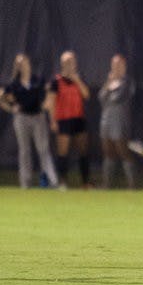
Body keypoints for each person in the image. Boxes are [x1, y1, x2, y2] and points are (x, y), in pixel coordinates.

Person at [0, 53, 59, 189]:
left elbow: (49, 92)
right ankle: (25, 183)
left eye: (24, 62)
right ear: (17, 67)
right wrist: (11, 108)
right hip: (22, 118)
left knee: (43, 149)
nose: (23, 65)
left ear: (29, 63)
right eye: (19, 64)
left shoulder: (38, 80)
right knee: (24, 151)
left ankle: (51, 182)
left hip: (38, 117)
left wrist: (46, 103)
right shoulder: (14, 84)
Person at [46, 50, 91, 189]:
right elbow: (50, 102)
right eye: (66, 62)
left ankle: (85, 183)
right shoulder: (56, 81)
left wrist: (77, 80)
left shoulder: (80, 78)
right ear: (62, 64)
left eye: (71, 62)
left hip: (78, 119)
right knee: (62, 152)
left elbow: (86, 95)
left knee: (83, 151)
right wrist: (53, 121)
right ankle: (63, 182)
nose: (69, 65)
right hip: (63, 120)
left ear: (75, 63)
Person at [98, 54, 135, 188]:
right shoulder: (109, 81)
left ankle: (132, 185)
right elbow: (101, 97)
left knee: (123, 151)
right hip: (106, 121)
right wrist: (109, 84)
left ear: (124, 66)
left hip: (120, 122)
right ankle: (106, 184)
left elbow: (117, 98)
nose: (116, 67)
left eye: (119, 65)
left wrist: (110, 90)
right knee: (108, 152)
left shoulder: (127, 82)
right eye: (114, 65)